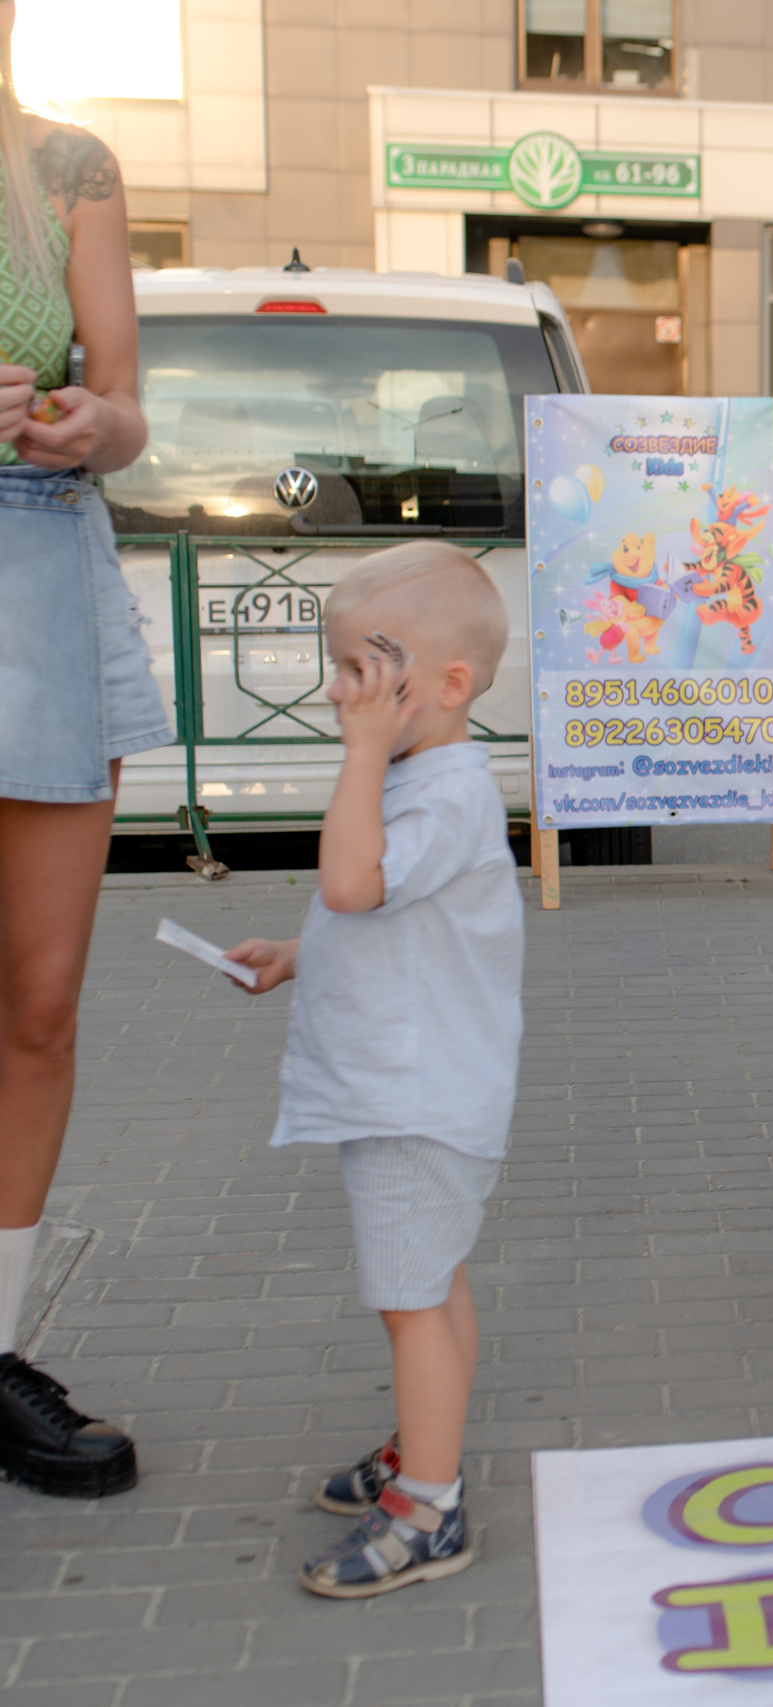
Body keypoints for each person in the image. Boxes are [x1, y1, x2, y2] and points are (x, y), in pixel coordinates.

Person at [224, 544, 522, 1594]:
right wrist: (300, 957)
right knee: (430, 1282)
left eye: (365, 670)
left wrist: (355, 759)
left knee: (410, 1297)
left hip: (414, 1095)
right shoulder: (417, 776)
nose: (341, 693)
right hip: (418, 1084)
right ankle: (419, 1447)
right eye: (339, 666)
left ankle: (430, 1508)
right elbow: (381, 917)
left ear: (445, 687)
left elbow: (354, 883)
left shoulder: (441, 792)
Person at [0, 1, 168, 1500]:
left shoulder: (66, 163)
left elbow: (124, 408)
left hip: (35, 564)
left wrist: (72, 423)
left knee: (38, 1000)